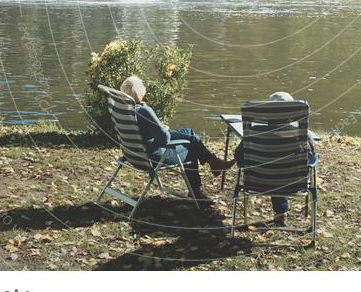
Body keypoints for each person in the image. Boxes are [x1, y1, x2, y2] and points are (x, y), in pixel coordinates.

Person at [119, 75, 233, 203]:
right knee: (191, 148)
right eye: (142, 87)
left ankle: (213, 162)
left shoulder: (124, 108)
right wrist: (161, 126)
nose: (145, 88)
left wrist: (158, 126)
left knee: (189, 132)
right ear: (137, 92)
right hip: (153, 156)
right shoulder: (143, 110)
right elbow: (164, 138)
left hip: (133, 154)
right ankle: (196, 191)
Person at [233, 91, 317, 226]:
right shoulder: (302, 135)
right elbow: (312, 155)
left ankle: (280, 211)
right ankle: (281, 213)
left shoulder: (254, 134)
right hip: (293, 183)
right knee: (281, 168)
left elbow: (238, 156)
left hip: (258, 182)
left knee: (271, 168)